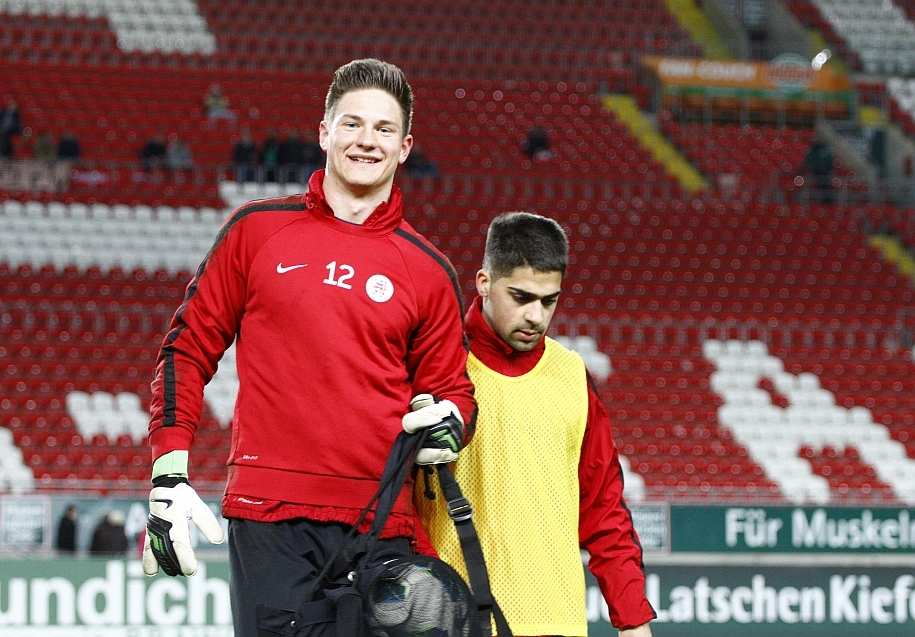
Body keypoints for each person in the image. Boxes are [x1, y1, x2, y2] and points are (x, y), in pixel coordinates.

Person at [141, 58, 476, 637]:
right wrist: (168, 477)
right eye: (351, 124)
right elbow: (186, 351)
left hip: (385, 525)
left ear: (404, 147)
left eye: (383, 129)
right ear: (324, 132)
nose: (365, 140)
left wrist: (451, 423)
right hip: (270, 517)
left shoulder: (430, 270)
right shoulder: (255, 231)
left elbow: (454, 394)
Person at [416, 212, 656, 637]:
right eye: (521, 297)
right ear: (484, 282)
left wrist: (633, 619)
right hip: (453, 623)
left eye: (549, 301)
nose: (535, 316)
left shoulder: (572, 375)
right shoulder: (435, 365)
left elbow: (604, 509)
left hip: (558, 623)